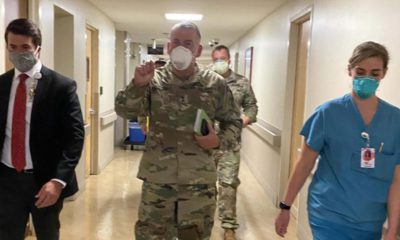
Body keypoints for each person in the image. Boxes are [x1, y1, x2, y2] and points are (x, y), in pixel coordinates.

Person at [115, 22, 242, 240]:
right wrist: (137, 85)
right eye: (176, 42)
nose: (180, 47)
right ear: (167, 47)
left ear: (198, 50)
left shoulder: (215, 84)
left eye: (187, 43)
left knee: (194, 236)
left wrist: (217, 140)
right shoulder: (152, 80)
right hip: (158, 181)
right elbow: (125, 111)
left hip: (198, 183)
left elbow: (234, 123)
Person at [275, 41, 400, 240]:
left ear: (384, 73)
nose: (367, 78)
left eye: (374, 73)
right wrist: (285, 206)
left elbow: (396, 180)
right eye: (360, 71)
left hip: (371, 220)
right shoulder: (327, 114)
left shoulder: (395, 120)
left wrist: (393, 229)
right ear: (349, 70)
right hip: (328, 214)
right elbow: (304, 164)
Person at [0, 18, 84, 240]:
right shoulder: (1, 85)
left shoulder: (61, 86)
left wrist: (58, 181)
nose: (19, 53)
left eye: (25, 47)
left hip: (45, 182)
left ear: (37, 48)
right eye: (12, 47)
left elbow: (75, 137)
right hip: (7, 180)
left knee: (47, 235)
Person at [211, 45, 258, 240]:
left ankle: (229, 226)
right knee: (202, 185)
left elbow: (251, 106)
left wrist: (244, 120)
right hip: (204, 144)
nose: (219, 62)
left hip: (230, 144)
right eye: (216, 59)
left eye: (223, 58)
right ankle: (201, 222)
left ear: (229, 60)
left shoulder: (241, 82)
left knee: (228, 185)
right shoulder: (204, 81)